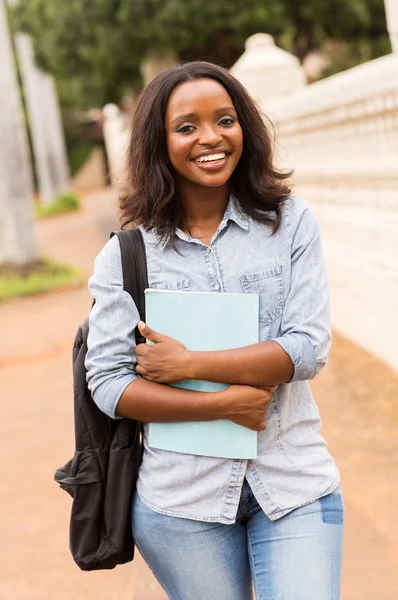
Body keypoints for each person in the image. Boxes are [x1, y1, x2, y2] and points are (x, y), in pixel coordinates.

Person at [85, 61, 344, 600]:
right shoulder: (126, 256)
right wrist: (221, 404)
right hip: (181, 504)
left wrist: (191, 366)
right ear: (159, 143)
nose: (210, 138)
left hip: (292, 480)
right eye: (187, 127)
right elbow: (109, 384)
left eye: (225, 120)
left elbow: (308, 347)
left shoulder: (289, 223)